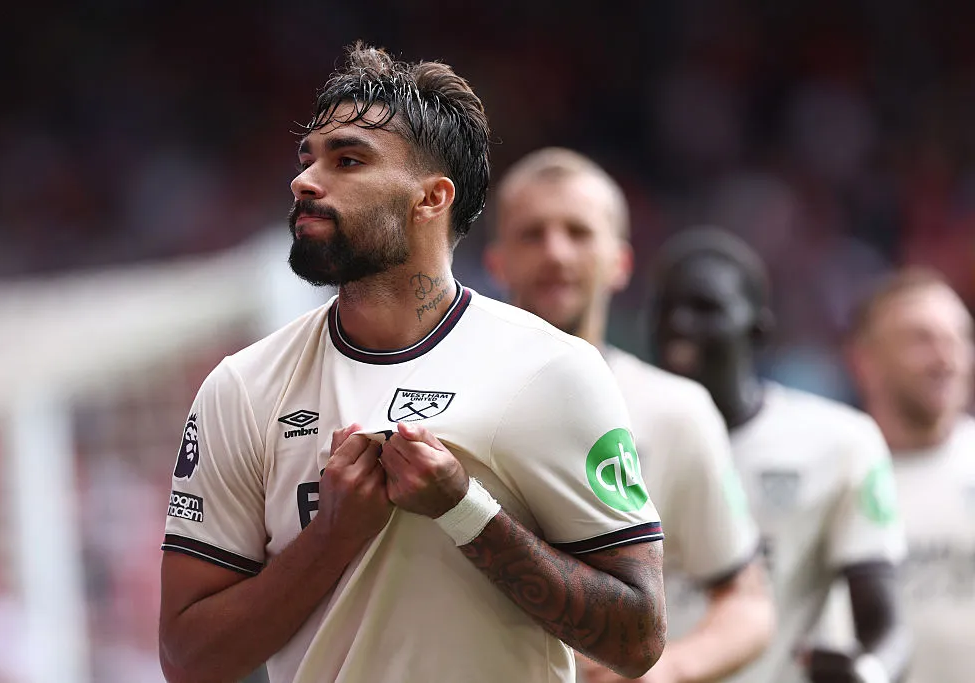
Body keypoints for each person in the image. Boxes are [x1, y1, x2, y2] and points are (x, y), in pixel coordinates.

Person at [157, 44, 667, 683]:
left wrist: (464, 510)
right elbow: (188, 660)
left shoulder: (552, 370)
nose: (305, 181)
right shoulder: (242, 386)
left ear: (431, 198)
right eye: (307, 159)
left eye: (347, 160)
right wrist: (332, 536)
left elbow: (637, 639)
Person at [485, 148, 774, 683]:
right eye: (532, 234)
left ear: (620, 262)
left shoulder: (676, 410)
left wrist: (665, 670)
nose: (556, 252)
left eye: (578, 232)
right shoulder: (451, 398)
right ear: (497, 261)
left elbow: (748, 603)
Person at [647, 227, 910, 683]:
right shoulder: (617, 440)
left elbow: (887, 624)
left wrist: (867, 673)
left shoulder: (839, 442)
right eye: (666, 309)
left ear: (759, 331)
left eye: (705, 308)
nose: (680, 325)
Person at [844, 268, 975, 683]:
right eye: (922, 340)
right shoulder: (835, 475)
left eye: (959, 339)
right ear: (865, 361)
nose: (946, 359)